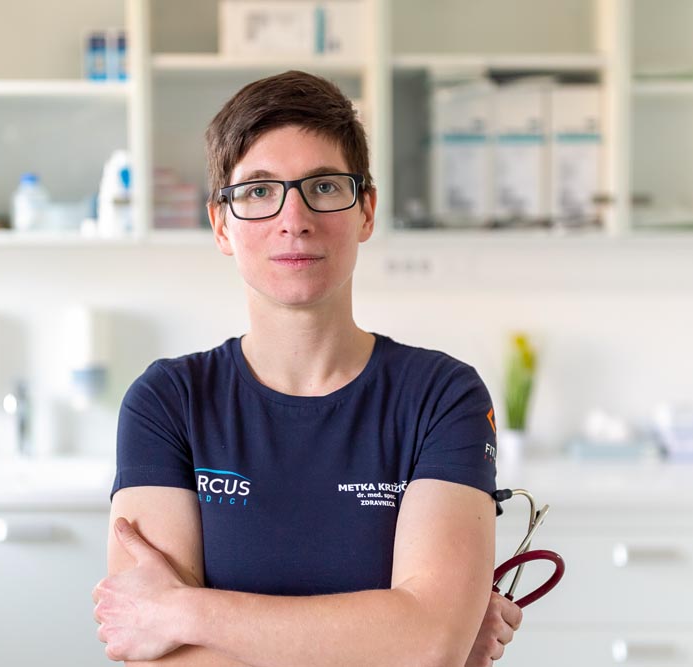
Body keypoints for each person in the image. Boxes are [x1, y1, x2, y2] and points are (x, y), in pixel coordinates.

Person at [92, 70, 522, 667]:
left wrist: (185, 613)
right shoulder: (168, 402)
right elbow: (158, 659)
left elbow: (429, 642)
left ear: (366, 211)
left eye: (323, 186)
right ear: (220, 224)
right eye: (258, 191)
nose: (293, 218)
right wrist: (396, 637)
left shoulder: (441, 397)